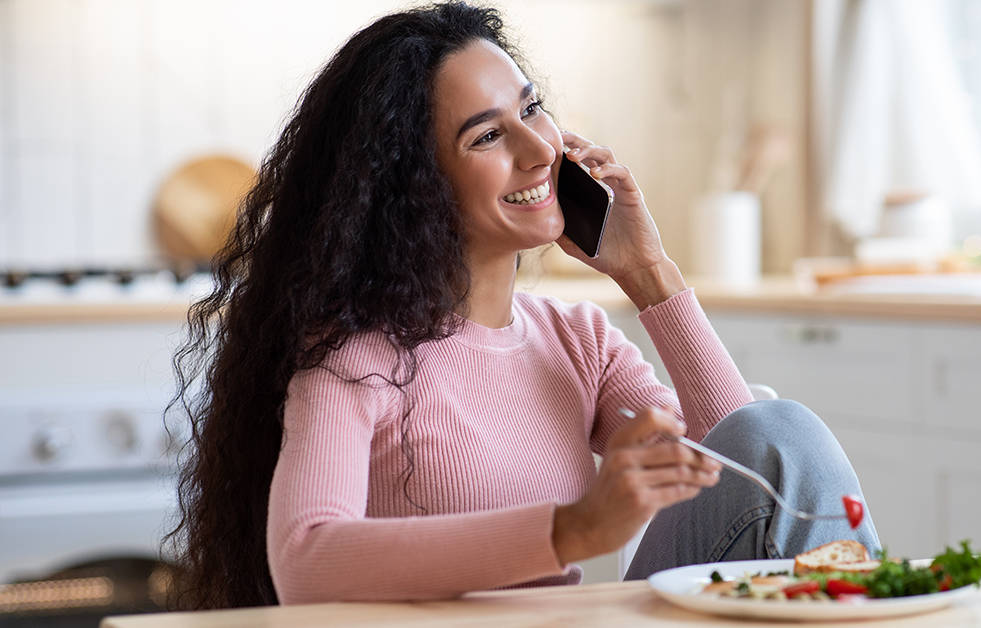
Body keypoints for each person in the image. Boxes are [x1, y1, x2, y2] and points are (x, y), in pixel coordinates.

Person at [165, 1, 879, 610]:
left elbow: (749, 474)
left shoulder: (577, 340)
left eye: (531, 108)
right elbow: (307, 560)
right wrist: (569, 530)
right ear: (412, 187)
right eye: (486, 135)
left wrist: (649, 274)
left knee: (783, 426)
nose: (539, 148)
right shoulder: (358, 356)